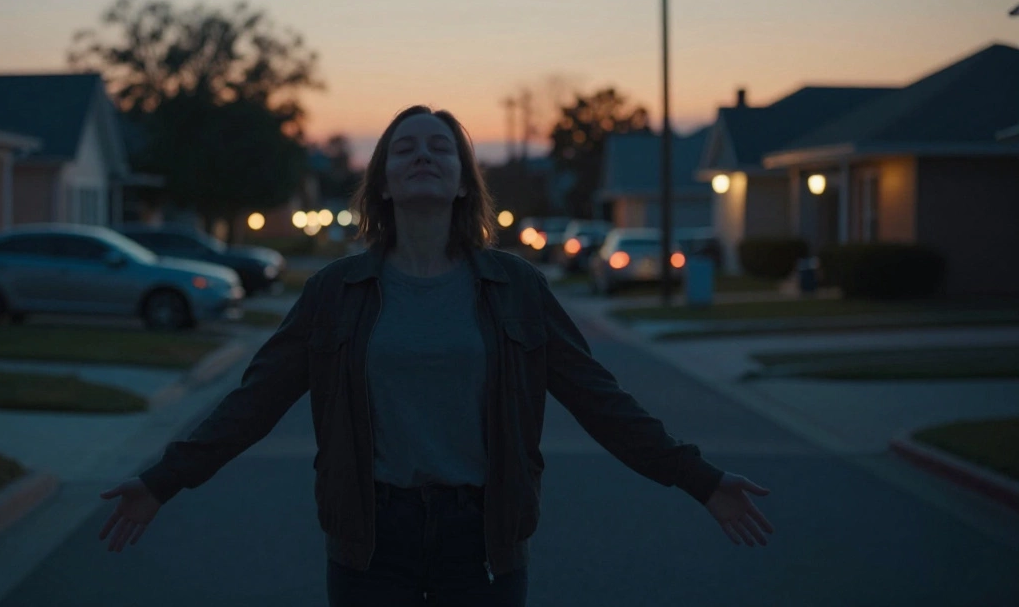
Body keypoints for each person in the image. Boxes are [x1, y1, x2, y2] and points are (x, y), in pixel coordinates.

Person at [98, 105, 774, 606]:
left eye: (441, 150)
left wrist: (699, 479)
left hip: (483, 536)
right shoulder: (338, 292)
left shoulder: (517, 289)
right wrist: (163, 481)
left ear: (461, 183)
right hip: (369, 537)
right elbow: (256, 400)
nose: (423, 156)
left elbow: (601, 400)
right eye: (405, 150)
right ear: (384, 183)